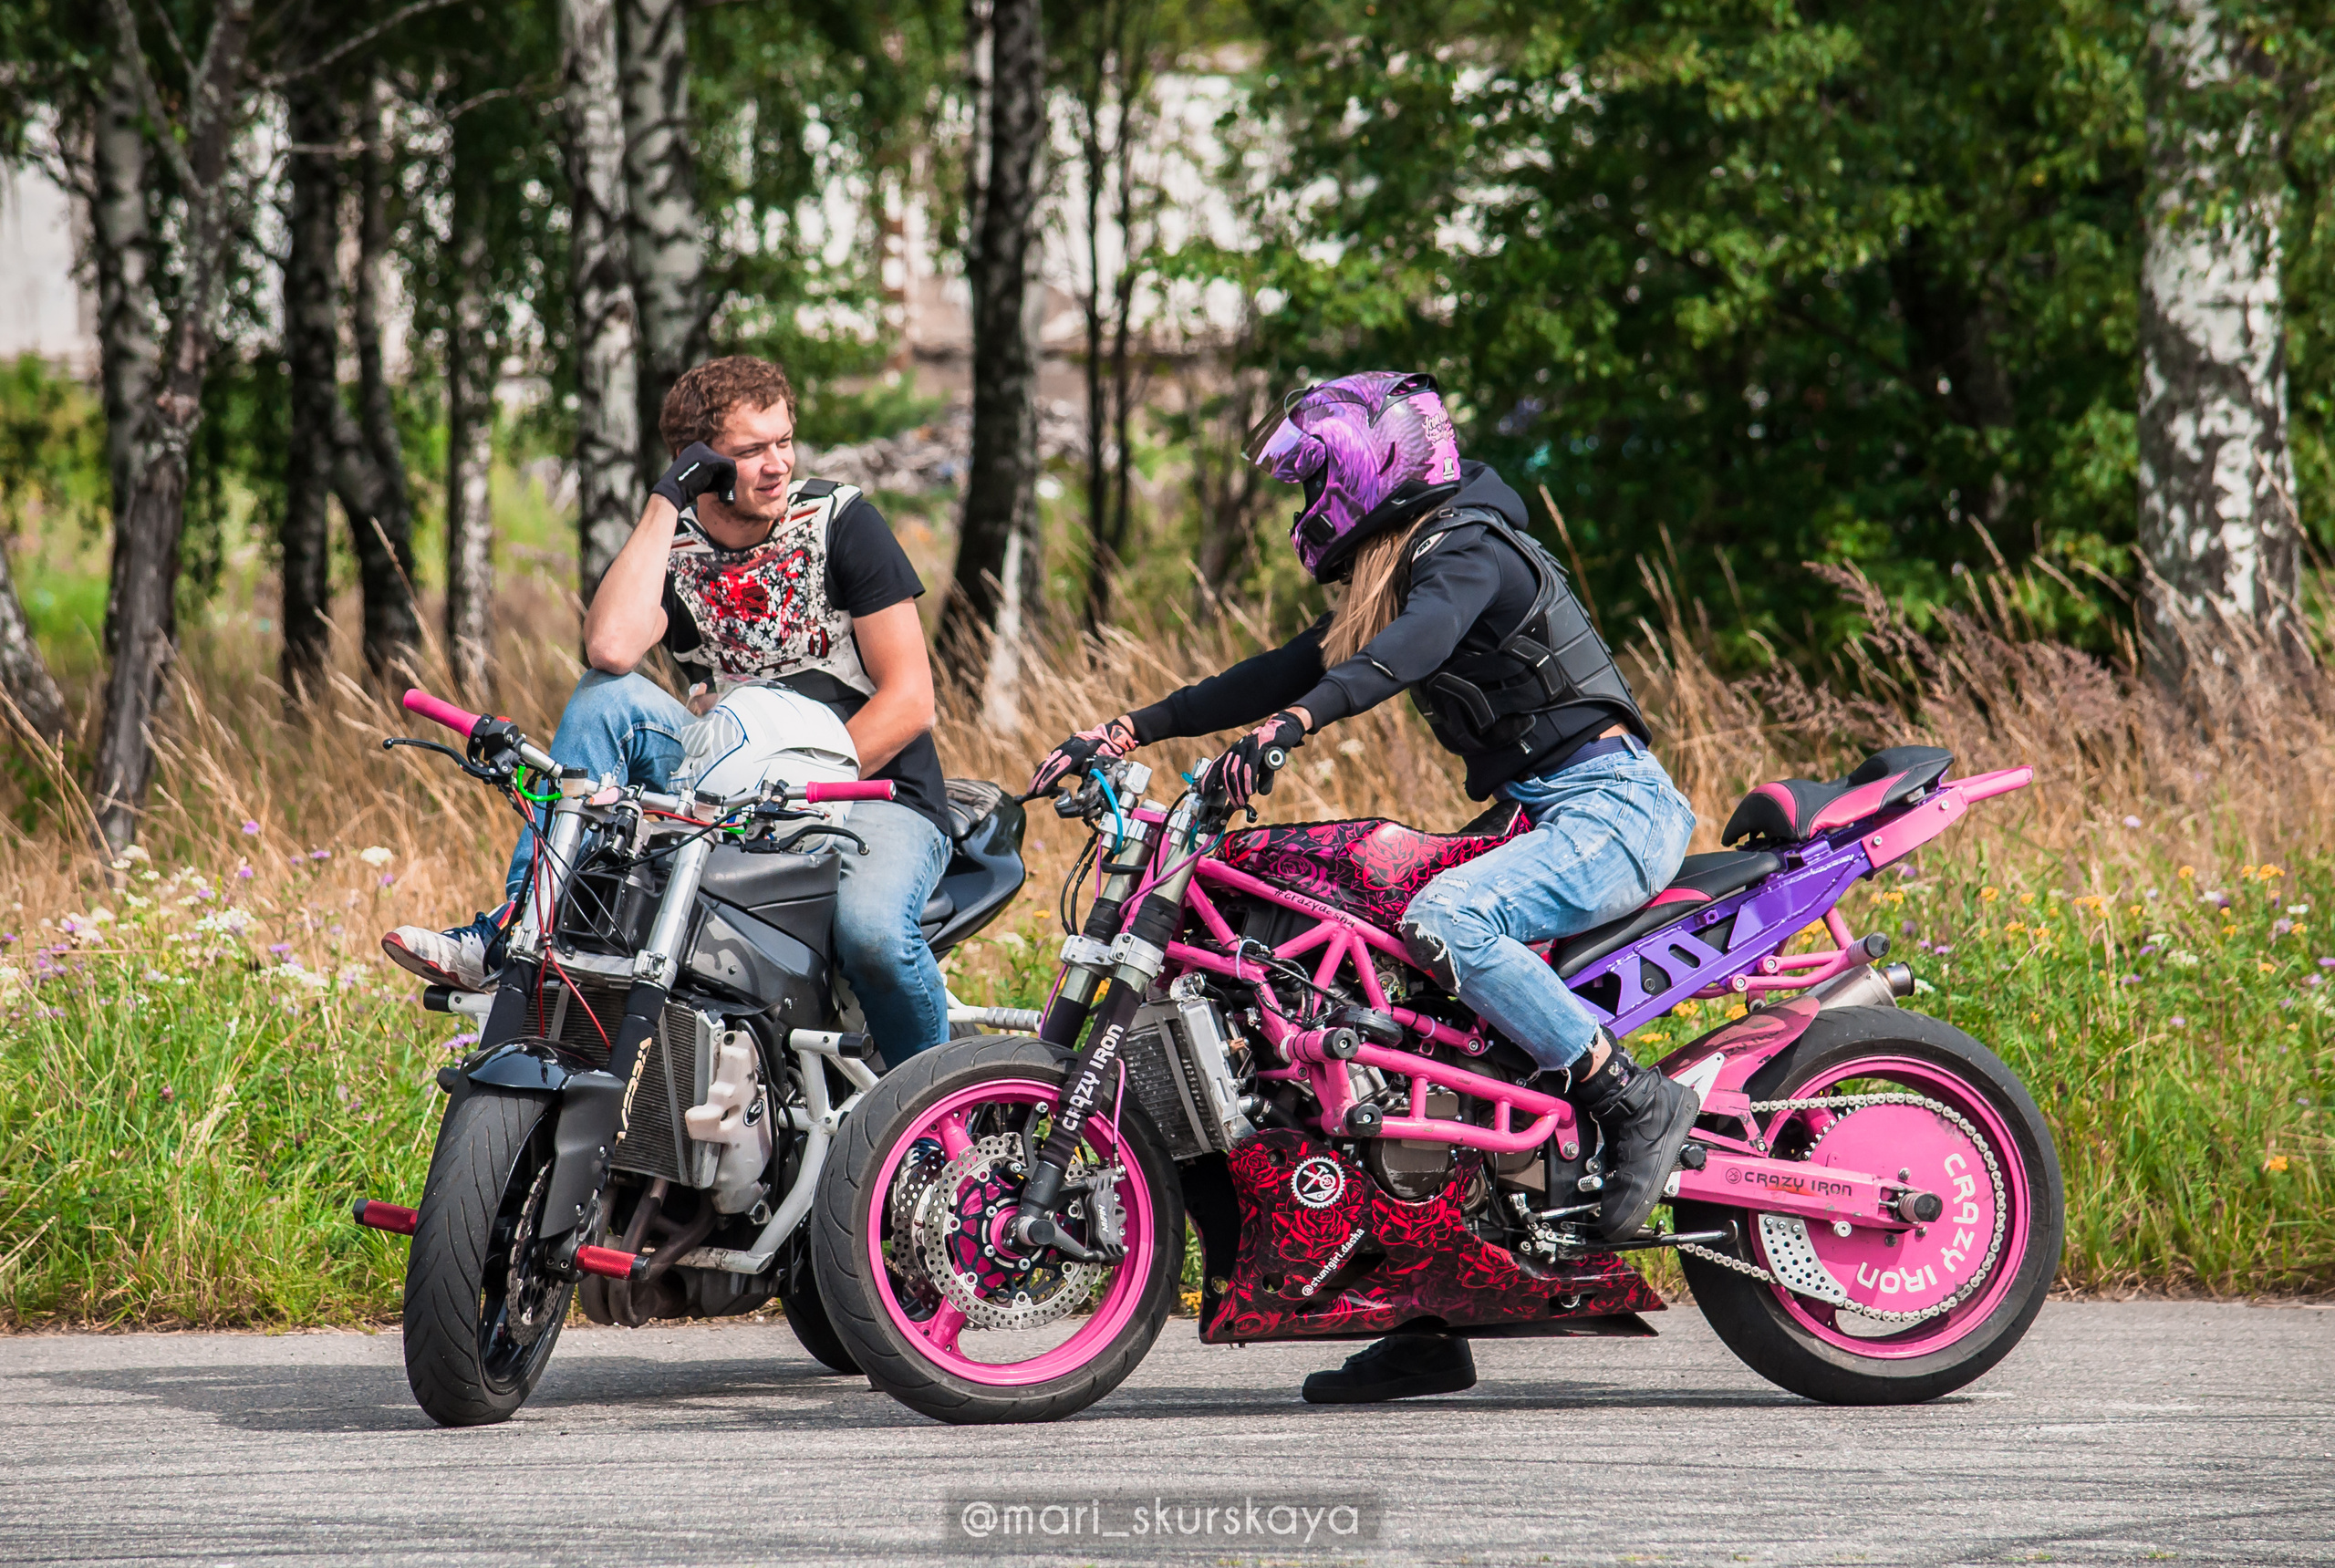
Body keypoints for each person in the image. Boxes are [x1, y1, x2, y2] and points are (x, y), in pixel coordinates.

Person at [1027, 371, 1701, 1405]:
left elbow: (1406, 654)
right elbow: (1289, 666)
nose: (1305, 512)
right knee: (1380, 1014)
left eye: (1311, 485)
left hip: (1608, 808)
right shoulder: (1405, 568)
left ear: (1370, 472)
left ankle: (1631, 1098)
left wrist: (1294, 731)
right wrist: (1135, 728)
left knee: (1446, 920)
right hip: (1540, 809)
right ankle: (1425, 1309)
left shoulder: (1467, 547)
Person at [384, 355, 954, 1064]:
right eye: (750, 451)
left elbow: (911, 701)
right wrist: (666, 501)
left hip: (876, 793)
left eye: (784, 440)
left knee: (873, 934)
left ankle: (937, 1110)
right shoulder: (672, 548)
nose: (777, 464)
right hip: (727, 780)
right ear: (702, 462)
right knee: (605, 697)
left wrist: (783, 792)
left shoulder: (841, 521)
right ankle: (515, 929)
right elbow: (612, 646)